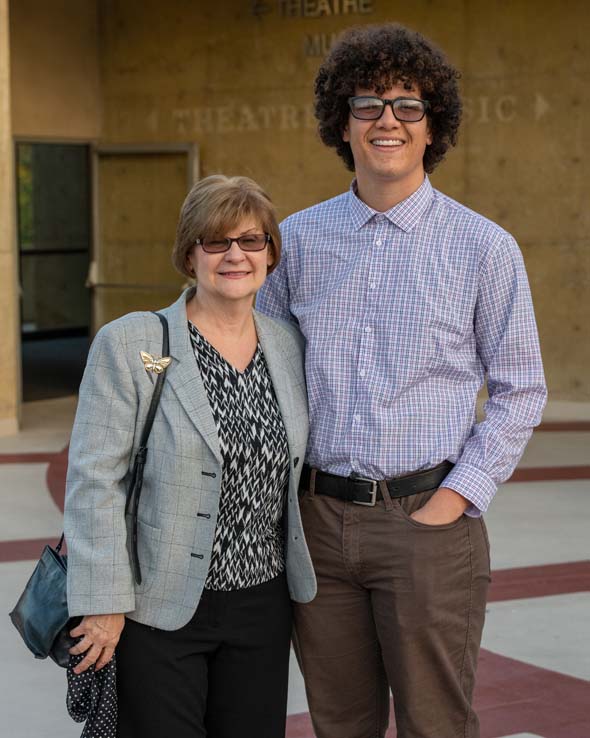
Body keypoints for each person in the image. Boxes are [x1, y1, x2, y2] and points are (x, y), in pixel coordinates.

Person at [256, 23, 547, 738]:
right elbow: (257, 369)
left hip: (427, 521)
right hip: (318, 522)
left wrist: (456, 499)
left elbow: (521, 388)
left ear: (432, 125)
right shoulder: (297, 241)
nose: (387, 119)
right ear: (343, 124)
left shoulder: (484, 248)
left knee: (435, 724)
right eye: (368, 104)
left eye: (408, 105)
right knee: (340, 722)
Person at [64, 174, 316, 738]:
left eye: (251, 241)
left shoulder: (287, 345)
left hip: (262, 606)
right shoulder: (133, 344)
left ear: (270, 254)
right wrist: (103, 601)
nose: (235, 256)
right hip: (158, 606)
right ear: (189, 254)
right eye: (215, 241)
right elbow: (94, 480)